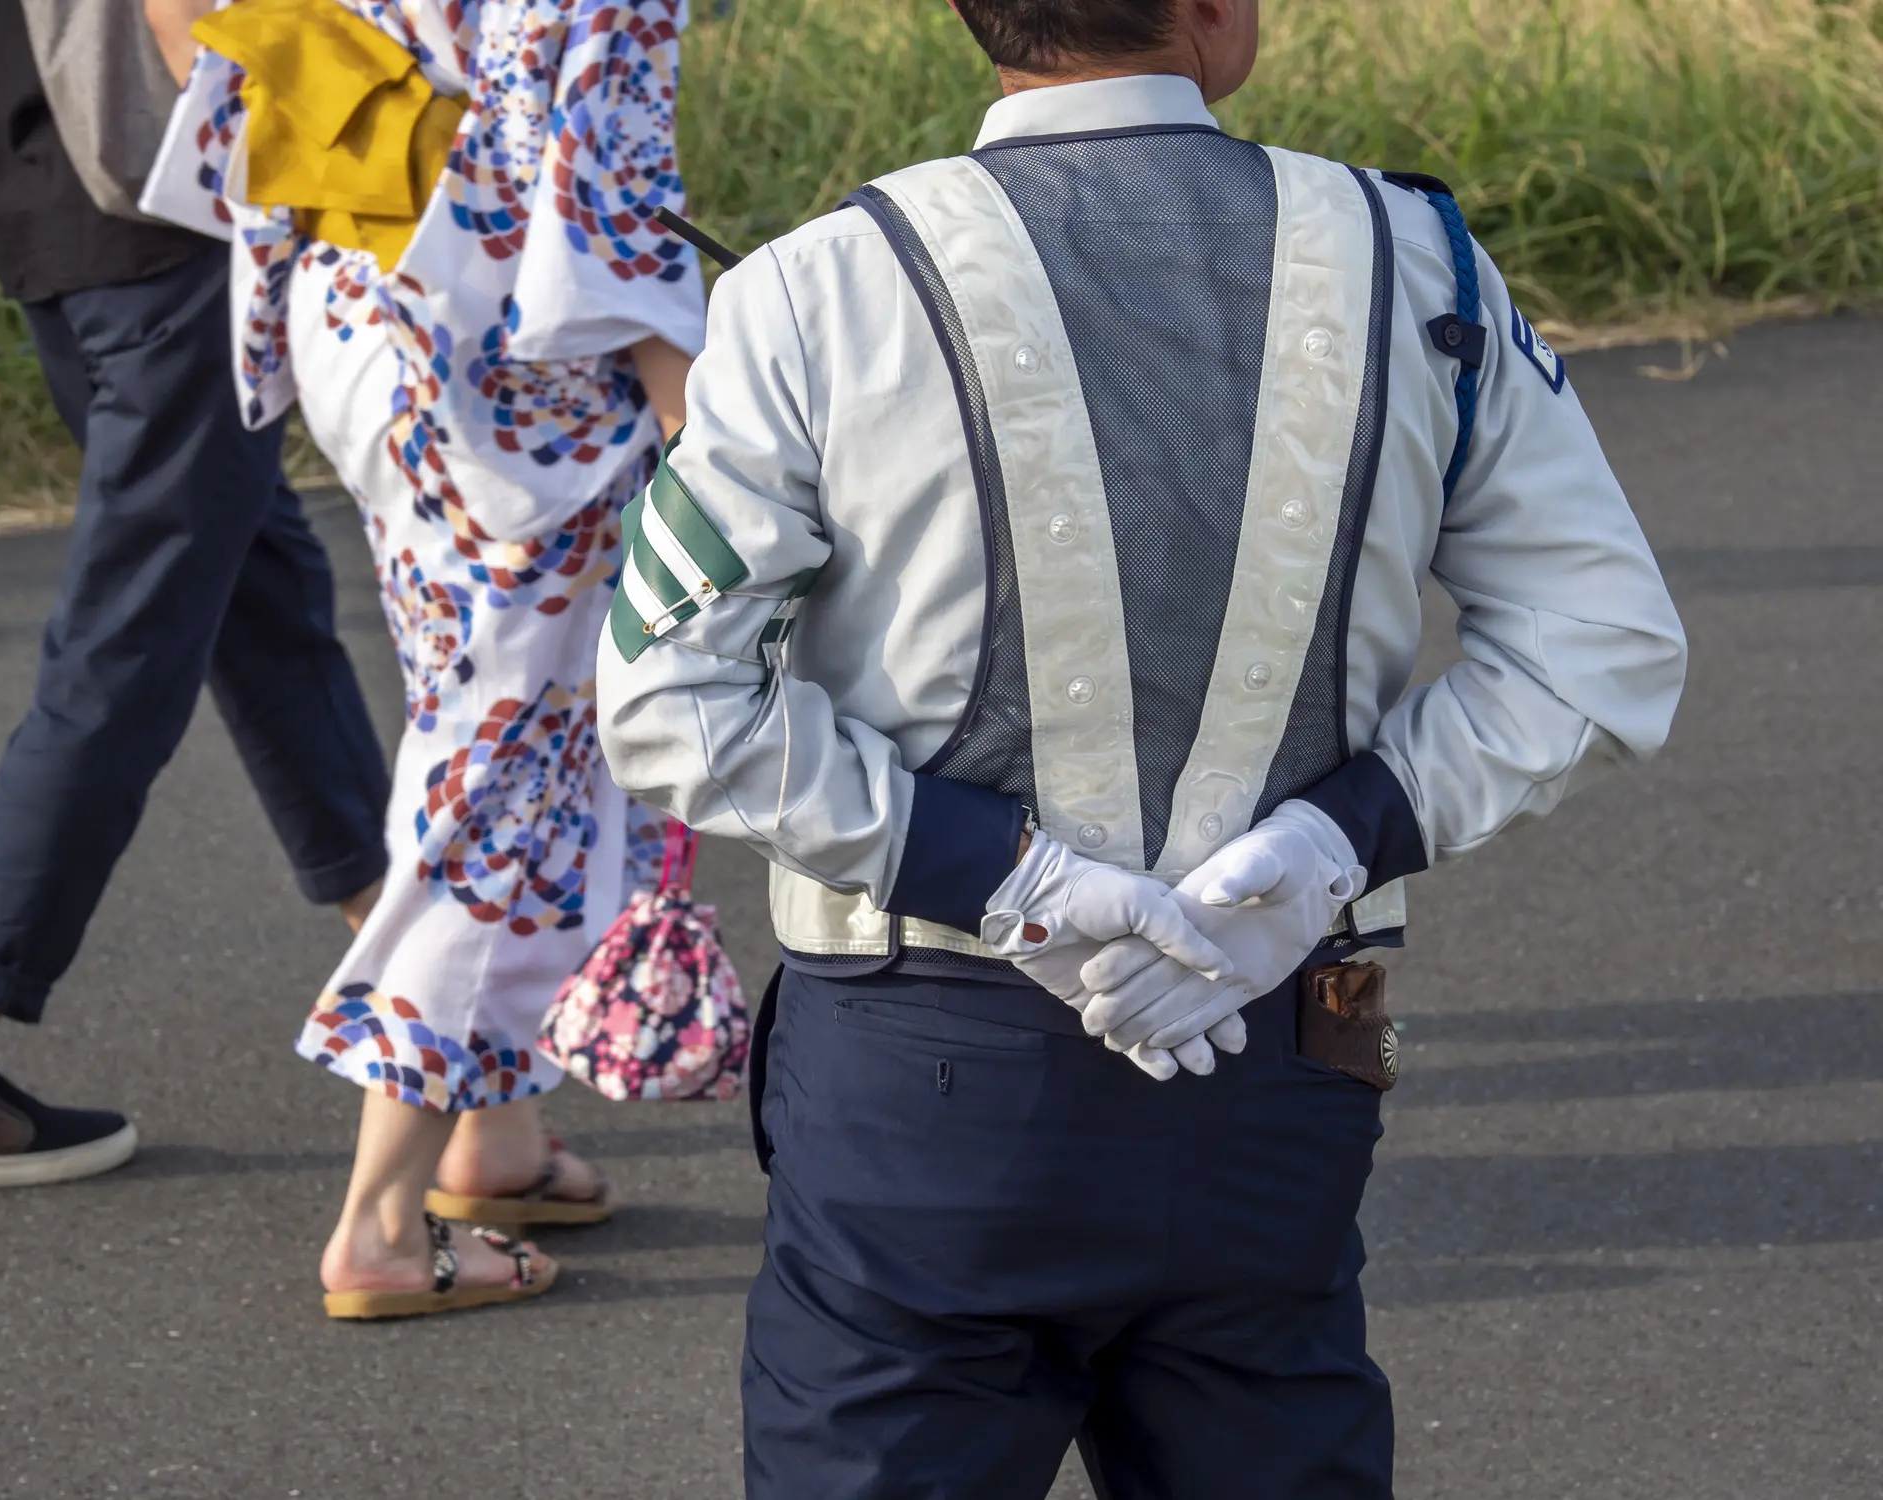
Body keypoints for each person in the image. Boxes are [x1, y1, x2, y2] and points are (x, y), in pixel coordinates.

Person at [595, 0, 1689, 1493]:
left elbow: (670, 700)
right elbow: (1604, 646)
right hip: (1289, 1038)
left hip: (926, 1070)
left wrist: (999, 874)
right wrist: (1328, 845)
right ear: (1213, 14)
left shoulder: (817, 285)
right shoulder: (1416, 260)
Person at [140, 0, 706, 1318]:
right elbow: (583, 159)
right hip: (515, 366)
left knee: (495, 724)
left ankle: (489, 1135)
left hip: (360, 307)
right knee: (505, 765)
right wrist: (690, 397)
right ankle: (382, 1226)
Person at [0, 0, 391, 1195]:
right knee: (128, 646)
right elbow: (184, 14)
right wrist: (374, 167)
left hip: (50, 216)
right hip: (174, 216)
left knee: (257, 593)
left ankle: (412, 992)